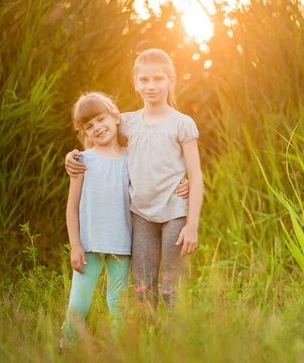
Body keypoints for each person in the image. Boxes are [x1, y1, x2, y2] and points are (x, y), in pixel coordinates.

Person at [65, 48, 204, 310]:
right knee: (142, 286)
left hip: (173, 212)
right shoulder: (127, 122)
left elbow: (195, 176)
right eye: (144, 80)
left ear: (171, 80)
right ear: (136, 83)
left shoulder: (182, 123)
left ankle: (178, 344)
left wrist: (192, 225)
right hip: (140, 215)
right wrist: (73, 157)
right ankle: (146, 342)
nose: (151, 86)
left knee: (170, 287)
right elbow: (96, 139)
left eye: (158, 79)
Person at [61, 92, 132, 348]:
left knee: (118, 302)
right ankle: (66, 347)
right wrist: (75, 245)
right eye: (89, 126)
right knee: (78, 303)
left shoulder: (131, 156)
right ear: (84, 132)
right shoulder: (82, 161)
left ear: (115, 117)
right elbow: (72, 207)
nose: (97, 128)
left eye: (101, 119)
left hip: (122, 244)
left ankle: (118, 352)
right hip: (89, 245)